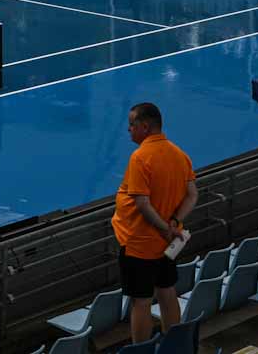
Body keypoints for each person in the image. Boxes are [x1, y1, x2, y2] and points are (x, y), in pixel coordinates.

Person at [111, 102, 197, 345]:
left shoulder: (140, 158)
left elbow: (142, 204)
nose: (128, 129)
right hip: (168, 244)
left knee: (141, 302)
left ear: (145, 126)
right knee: (168, 293)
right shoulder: (179, 154)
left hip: (140, 245)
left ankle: (140, 350)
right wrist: (174, 224)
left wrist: (163, 228)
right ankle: (174, 344)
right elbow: (192, 195)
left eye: (131, 125)